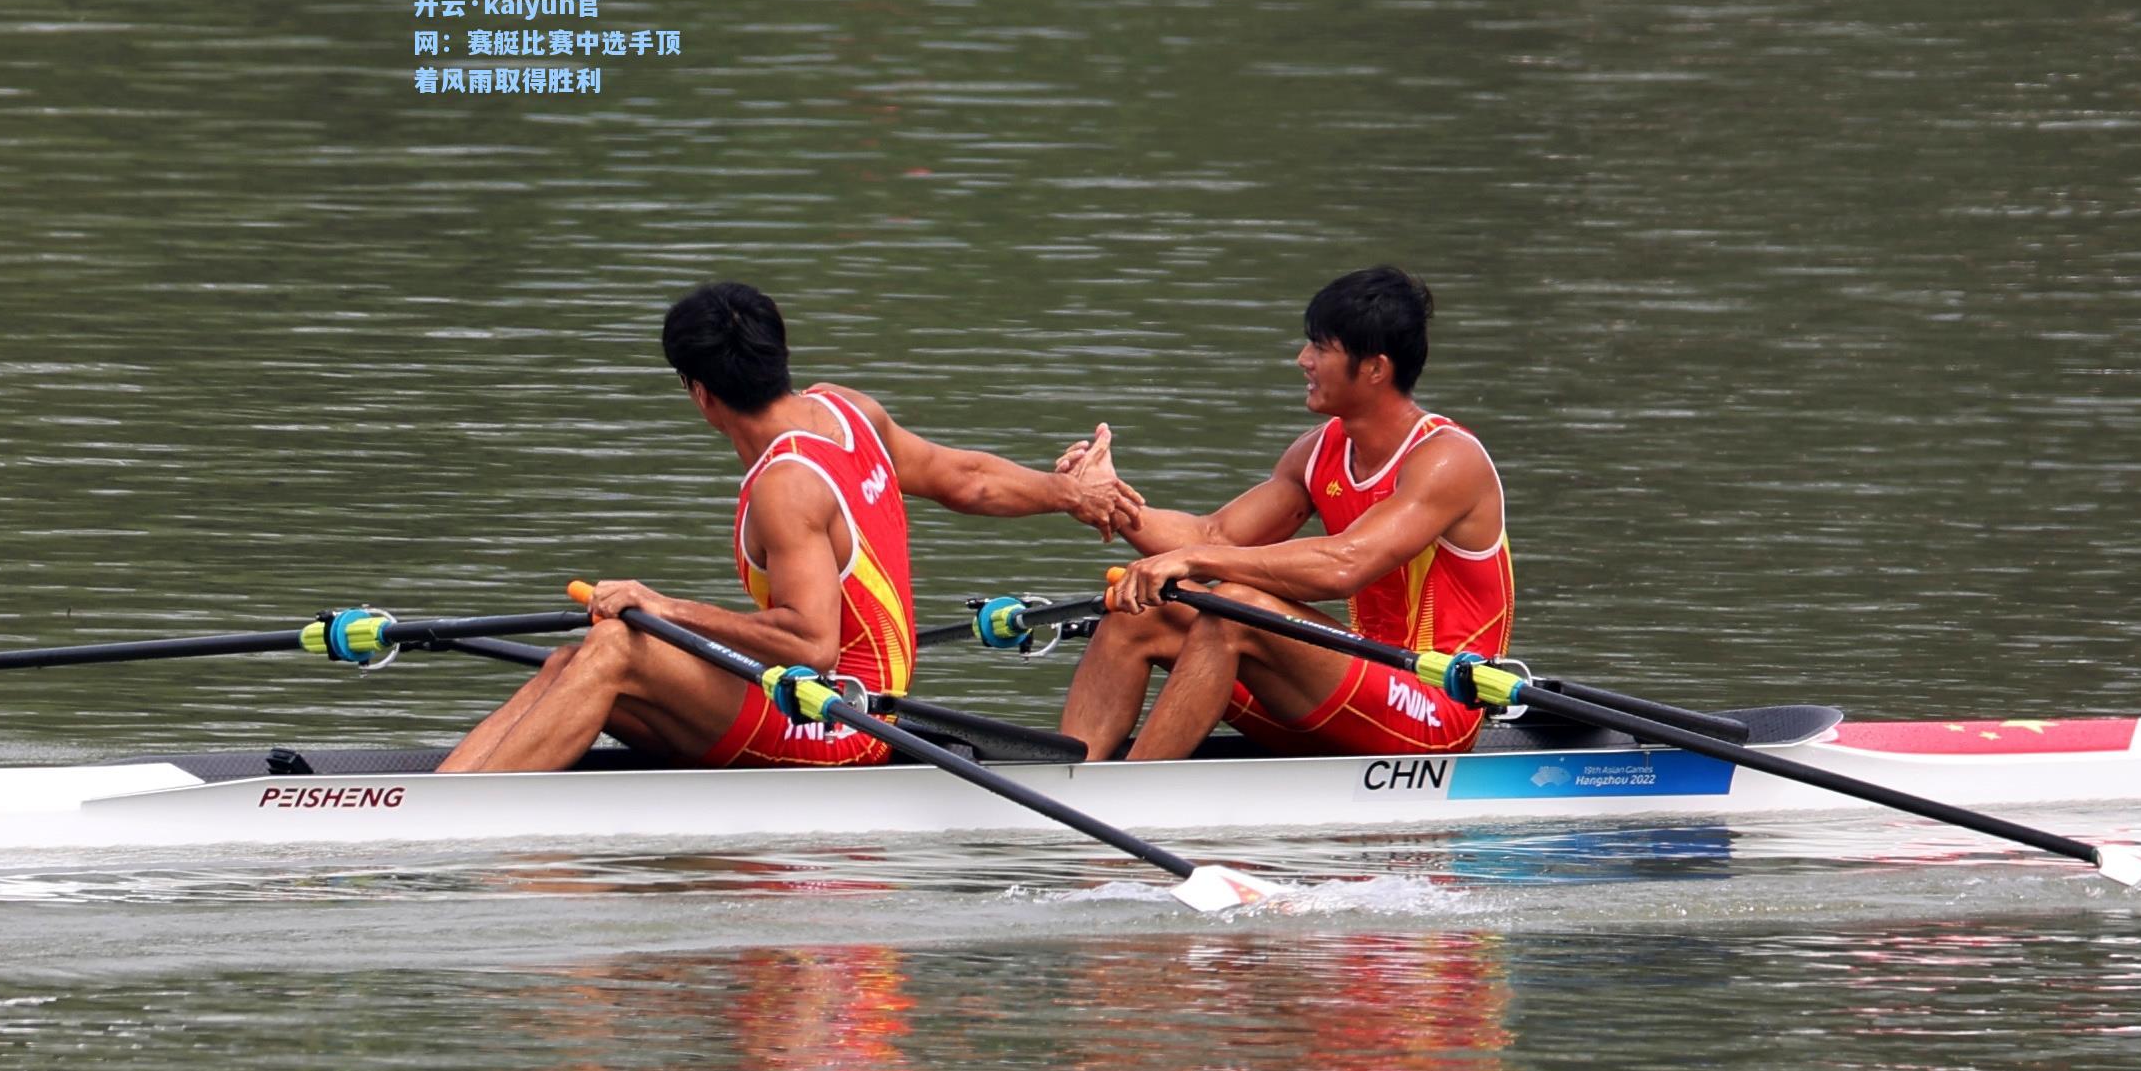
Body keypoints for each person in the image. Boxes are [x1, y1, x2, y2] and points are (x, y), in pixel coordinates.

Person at [439, 280, 1140, 774]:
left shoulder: (786, 486)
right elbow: (966, 477)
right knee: (576, 663)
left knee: (617, 648)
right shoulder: (845, 410)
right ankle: (440, 802)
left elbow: (813, 643)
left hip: (843, 720)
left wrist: (665, 606)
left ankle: (450, 825)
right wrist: (1068, 492)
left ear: (701, 393)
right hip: (831, 697)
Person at [1055, 266, 1513, 762]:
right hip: (1353, 689)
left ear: (1376, 369)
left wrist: (1194, 561)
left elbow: (1345, 565)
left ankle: (1130, 800)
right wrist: (1108, 502)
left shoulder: (1447, 460)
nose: (1303, 360)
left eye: (1321, 348)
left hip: (1436, 705)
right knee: (1137, 610)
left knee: (1235, 607)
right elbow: (1215, 534)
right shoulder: (1316, 452)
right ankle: (1073, 778)